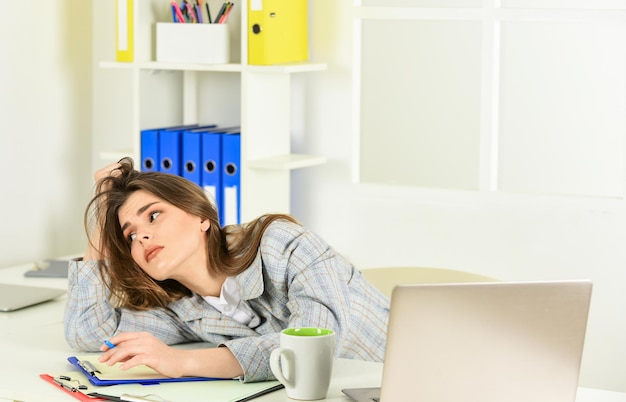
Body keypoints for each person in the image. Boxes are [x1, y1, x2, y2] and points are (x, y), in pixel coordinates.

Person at [64, 157, 389, 382]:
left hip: (411, 382)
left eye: (153, 215)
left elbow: (310, 349)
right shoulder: (178, 308)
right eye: (130, 235)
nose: (142, 235)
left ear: (201, 216)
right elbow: (86, 331)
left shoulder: (281, 244)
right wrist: (105, 204)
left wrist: (180, 362)